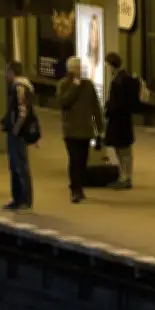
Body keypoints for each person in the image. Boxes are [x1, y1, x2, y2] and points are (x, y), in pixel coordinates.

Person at [57, 56, 104, 203]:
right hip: (70, 131)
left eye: (79, 69)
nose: (77, 72)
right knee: (75, 160)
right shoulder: (64, 85)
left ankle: (79, 187)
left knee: (83, 161)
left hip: (85, 130)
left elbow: (96, 107)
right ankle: (75, 189)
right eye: (75, 69)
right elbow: (63, 102)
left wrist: (100, 129)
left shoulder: (88, 85)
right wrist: (74, 87)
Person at [1, 61, 35, 211]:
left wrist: (15, 129)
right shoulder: (21, 86)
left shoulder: (19, 87)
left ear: (12, 72)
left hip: (18, 133)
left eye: (7, 71)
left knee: (19, 165)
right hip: (17, 131)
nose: (5, 74)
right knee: (15, 165)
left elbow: (22, 111)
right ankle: (17, 198)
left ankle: (24, 200)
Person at [103, 52, 135, 190]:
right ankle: (125, 176)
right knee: (123, 149)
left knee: (123, 150)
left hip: (119, 120)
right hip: (123, 119)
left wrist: (108, 108)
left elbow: (118, 101)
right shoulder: (124, 77)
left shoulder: (119, 80)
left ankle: (125, 177)